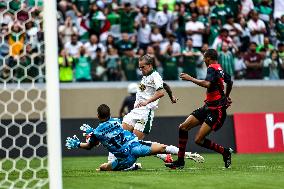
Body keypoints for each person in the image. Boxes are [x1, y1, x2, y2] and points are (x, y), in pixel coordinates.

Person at [65, 104, 203, 171]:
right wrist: (93, 133)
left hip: (124, 159)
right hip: (135, 147)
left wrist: (78, 144)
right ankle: (187, 154)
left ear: (97, 115)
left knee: (102, 168)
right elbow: (108, 132)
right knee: (162, 148)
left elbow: (91, 145)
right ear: (109, 114)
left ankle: (132, 166)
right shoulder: (116, 121)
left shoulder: (97, 133)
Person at [165, 49, 233, 169]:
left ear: (208, 58)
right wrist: (226, 97)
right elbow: (230, 81)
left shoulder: (212, 67)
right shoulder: (220, 68)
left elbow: (207, 84)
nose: (203, 60)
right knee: (183, 127)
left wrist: (190, 78)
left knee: (198, 140)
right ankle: (180, 161)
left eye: (204, 58)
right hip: (208, 106)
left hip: (216, 110)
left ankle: (225, 151)